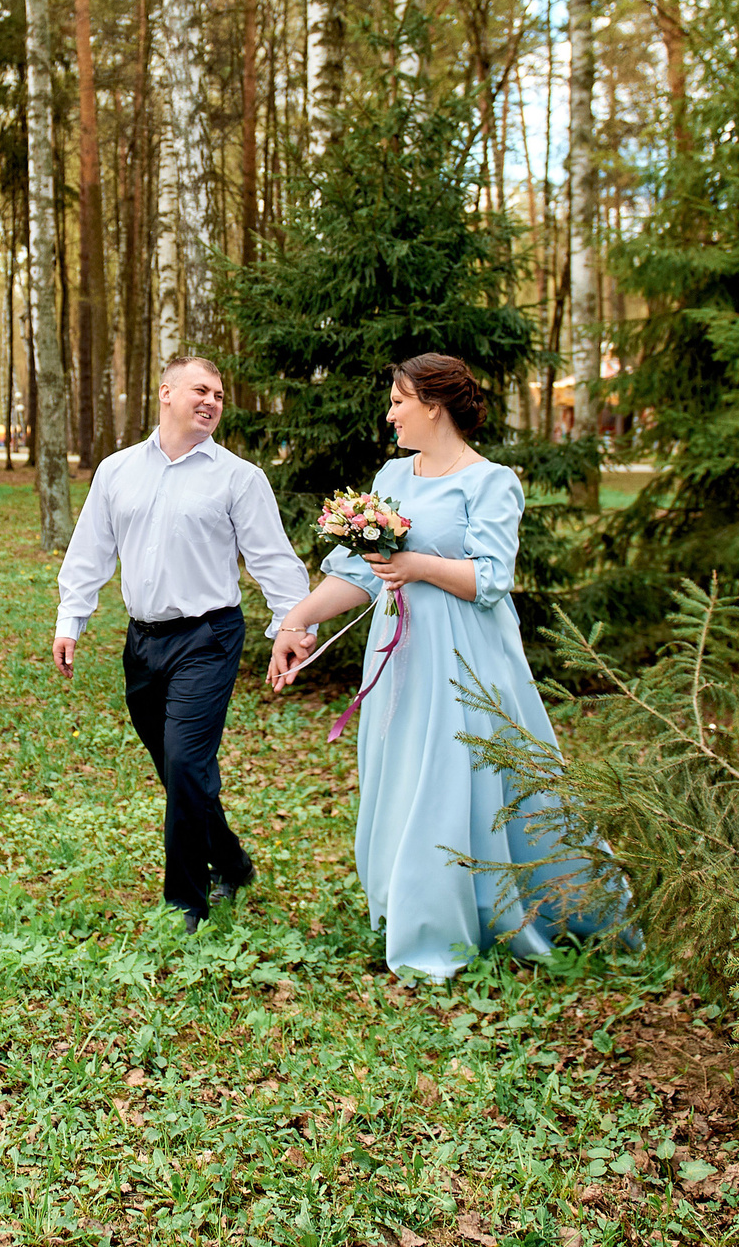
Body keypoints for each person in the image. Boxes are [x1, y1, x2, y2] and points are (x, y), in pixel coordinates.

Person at [270, 352, 630, 979]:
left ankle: (481, 919)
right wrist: (296, 622)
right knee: (404, 774)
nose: (390, 414)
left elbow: (491, 579)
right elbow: (358, 571)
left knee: (459, 779)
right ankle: (410, 910)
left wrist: (417, 566)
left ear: (433, 405)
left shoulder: (490, 482)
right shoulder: (392, 475)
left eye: (399, 402)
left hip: (466, 659)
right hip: (400, 657)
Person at [54, 354, 310, 930]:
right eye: (201, 390)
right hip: (143, 642)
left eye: (219, 395)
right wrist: (72, 619)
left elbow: (275, 560)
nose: (211, 402)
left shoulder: (239, 477)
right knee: (177, 771)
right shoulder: (116, 471)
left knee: (188, 766)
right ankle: (236, 863)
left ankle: (185, 904)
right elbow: (90, 550)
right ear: (165, 392)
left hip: (209, 637)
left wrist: (293, 628)